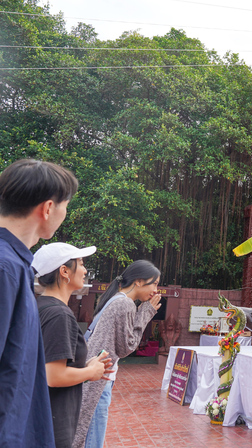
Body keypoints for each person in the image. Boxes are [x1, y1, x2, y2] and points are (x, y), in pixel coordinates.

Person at [0, 159, 78, 447]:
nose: (64, 214)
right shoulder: (5, 268)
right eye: (65, 206)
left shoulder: (16, 266)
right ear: (48, 208)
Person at [73, 260, 162, 448]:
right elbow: (127, 347)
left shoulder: (116, 299)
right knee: (92, 437)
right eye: (154, 283)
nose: (156, 290)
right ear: (138, 281)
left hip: (95, 373)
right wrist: (146, 312)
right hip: (100, 378)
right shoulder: (125, 304)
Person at [33, 243, 112, 448]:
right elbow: (53, 375)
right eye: (81, 263)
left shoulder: (41, 306)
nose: (85, 270)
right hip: (53, 422)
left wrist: (84, 366)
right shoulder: (59, 314)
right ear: (64, 271)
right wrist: (90, 372)